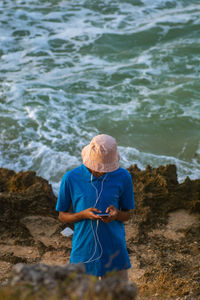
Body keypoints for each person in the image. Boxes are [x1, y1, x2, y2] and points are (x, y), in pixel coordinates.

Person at [56, 134, 134, 279]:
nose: (102, 170)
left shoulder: (124, 177)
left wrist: (116, 214)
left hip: (114, 251)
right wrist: (82, 214)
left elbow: (127, 214)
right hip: (83, 251)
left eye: (105, 167)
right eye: (98, 167)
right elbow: (62, 216)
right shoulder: (71, 178)